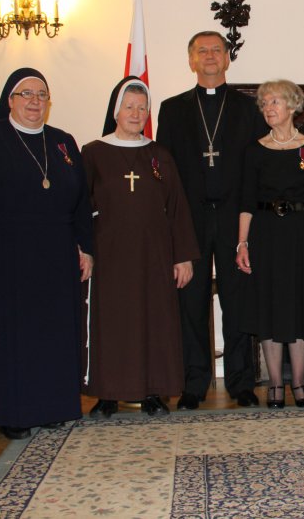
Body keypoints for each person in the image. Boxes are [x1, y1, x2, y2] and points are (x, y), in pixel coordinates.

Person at [0, 68, 93, 440]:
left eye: (41, 94)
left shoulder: (62, 143)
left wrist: (86, 247)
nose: (34, 101)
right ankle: (10, 412)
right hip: (2, 258)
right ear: (9, 100)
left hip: (55, 256)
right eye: (26, 94)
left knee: (51, 334)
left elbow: (81, 200)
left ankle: (52, 406)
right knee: (10, 336)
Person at [157, 31, 266, 410]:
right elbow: (165, 171)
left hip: (236, 217)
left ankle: (241, 381)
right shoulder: (173, 109)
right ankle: (193, 382)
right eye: (201, 51)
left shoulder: (247, 108)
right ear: (191, 60)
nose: (209, 56)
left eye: (216, 50)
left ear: (227, 58)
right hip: (190, 218)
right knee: (191, 301)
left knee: (238, 301)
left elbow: (257, 165)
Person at [82, 77, 199, 418]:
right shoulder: (93, 153)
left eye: (142, 108)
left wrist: (183, 256)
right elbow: (79, 207)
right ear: (116, 112)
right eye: (129, 107)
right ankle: (107, 394)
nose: (136, 114)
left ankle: (152, 391)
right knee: (111, 323)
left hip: (154, 256)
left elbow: (177, 207)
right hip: (109, 256)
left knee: (154, 322)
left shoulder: (159, 154)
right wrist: (82, 249)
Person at [236, 80, 304, 409]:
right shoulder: (254, 150)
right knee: (270, 308)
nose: (268, 108)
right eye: (264, 103)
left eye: (274, 102)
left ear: (292, 106)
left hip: (302, 234)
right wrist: (241, 243)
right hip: (265, 235)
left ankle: (300, 381)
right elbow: (246, 202)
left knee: (300, 307)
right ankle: (276, 382)